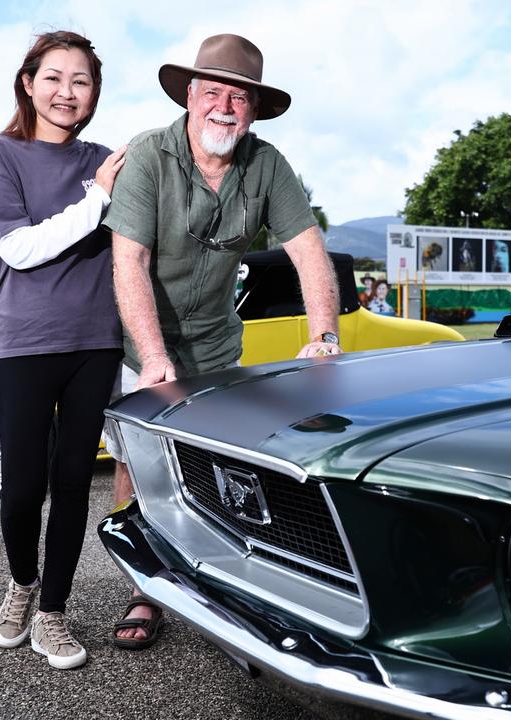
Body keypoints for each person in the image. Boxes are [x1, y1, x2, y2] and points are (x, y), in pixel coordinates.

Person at [104, 33, 341, 648]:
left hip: (215, 343)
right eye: (213, 92)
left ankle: (216, 577)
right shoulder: (148, 157)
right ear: (190, 96)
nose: (225, 107)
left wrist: (323, 337)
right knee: (138, 459)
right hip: (142, 339)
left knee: (214, 463)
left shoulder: (266, 164)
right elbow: (128, 262)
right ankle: (142, 588)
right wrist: (153, 359)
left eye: (240, 98)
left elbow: (309, 252)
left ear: (255, 110)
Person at [0, 30, 126, 670]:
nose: (68, 93)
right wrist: (97, 199)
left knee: (72, 485)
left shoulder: (107, 158)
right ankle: (22, 583)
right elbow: (18, 249)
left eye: (82, 81)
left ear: (94, 94)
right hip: (25, 345)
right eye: (55, 78)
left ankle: (54, 612)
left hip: (95, 342)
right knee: (22, 486)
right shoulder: (0, 153)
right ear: (29, 83)